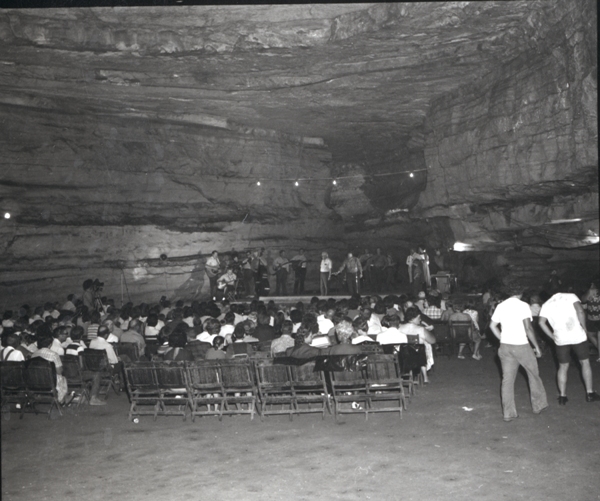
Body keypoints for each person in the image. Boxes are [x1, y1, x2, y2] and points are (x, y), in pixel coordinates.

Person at [489, 292, 548, 422]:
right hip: (522, 346)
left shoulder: (501, 305)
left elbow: (492, 326)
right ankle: (538, 406)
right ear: (520, 292)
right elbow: (528, 328)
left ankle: (508, 413)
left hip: (505, 347)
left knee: (507, 380)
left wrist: (502, 338)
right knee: (533, 375)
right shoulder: (523, 305)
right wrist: (537, 347)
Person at [538, 292, 600, 404]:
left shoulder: (546, 304)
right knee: (585, 363)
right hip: (578, 336)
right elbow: (580, 311)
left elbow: (541, 323)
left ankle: (562, 396)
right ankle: (590, 393)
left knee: (563, 366)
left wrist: (552, 336)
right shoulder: (571, 296)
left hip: (561, 339)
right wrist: (584, 327)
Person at [397, 307, 436, 384]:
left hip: (403, 356)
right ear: (413, 318)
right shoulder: (420, 329)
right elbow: (433, 341)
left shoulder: (399, 328)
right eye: (419, 318)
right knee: (423, 347)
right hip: (418, 357)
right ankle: (425, 377)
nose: (420, 319)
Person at [582, 283, 600, 357]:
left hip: (593, 319)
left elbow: (583, 300)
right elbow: (584, 303)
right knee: (591, 334)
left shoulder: (590, 291)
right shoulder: (590, 292)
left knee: (593, 335)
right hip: (592, 319)